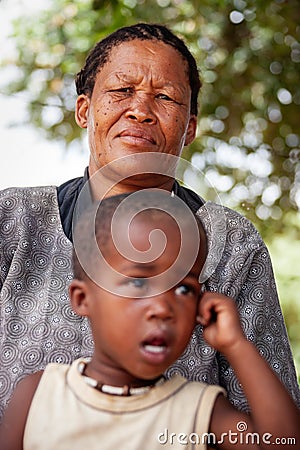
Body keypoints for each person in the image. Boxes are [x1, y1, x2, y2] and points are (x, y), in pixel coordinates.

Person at [0, 22, 299, 419]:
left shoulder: (231, 244)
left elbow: (273, 431)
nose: (140, 110)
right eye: (123, 91)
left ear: (189, 127)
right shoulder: (14, 221)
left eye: (165, 97)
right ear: (84, 110)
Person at [0, 192, 299, 450]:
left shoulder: (200, 411)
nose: (163, 308)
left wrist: (236, 345)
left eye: (184, 289)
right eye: (139, 283)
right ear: (82, 299)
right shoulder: (41, 394)